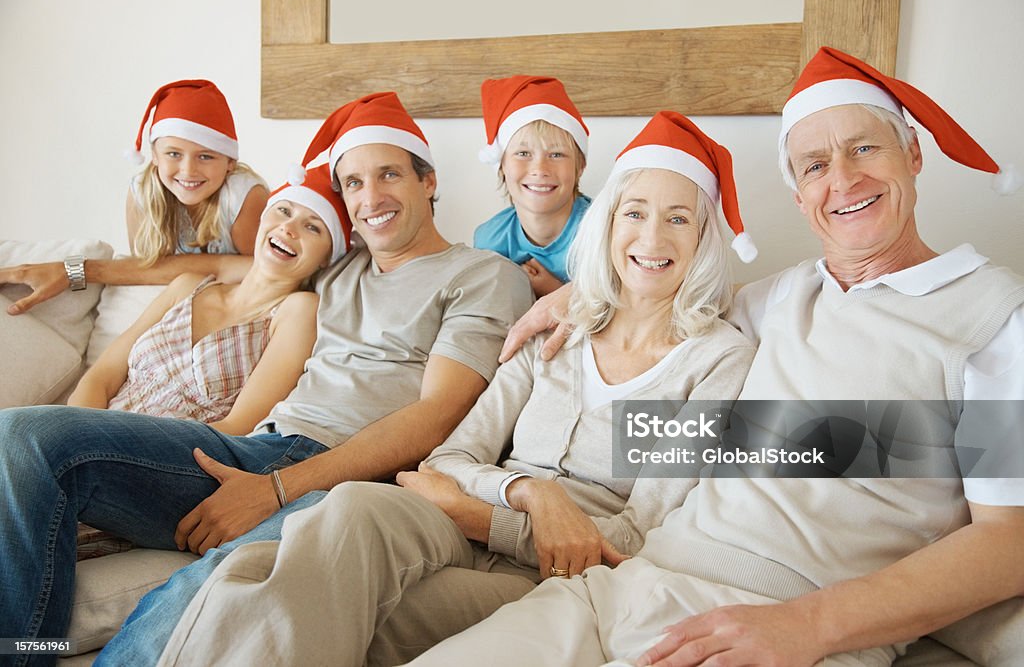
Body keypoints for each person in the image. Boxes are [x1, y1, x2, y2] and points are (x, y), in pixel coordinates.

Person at [410, 47, 1024, 667]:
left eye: (865, 148)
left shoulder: (995, 320)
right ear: (798, 194)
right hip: (621, 587)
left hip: (787, 619)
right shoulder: (776, 299)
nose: (842, 178)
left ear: (913, 153)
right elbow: (659, 288)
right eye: (814, 165)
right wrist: (576, 293)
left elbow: (1010, 541)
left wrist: (806, 625)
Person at [153, 111, 756, 667]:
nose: (651, 238)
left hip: (554, 575)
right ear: (608, 225)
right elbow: (449, 458)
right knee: (343, 512)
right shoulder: (557, 329)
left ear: (705, 238)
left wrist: (478, 514)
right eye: (635, 213)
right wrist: (530, 494)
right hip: (469, 521)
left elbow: (637, 532)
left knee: (306, 599)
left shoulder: (716, 361)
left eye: (679, 218)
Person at [0, 91, 534, 667]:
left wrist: (280, 489)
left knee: (205, 597)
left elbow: (439, 414)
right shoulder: (334, 265)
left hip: (340, 481)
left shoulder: (480, 274)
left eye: (389, 175)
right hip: (249, 450)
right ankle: (26, 653)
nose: (371, 196)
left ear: (428, 182)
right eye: (352, 183)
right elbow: (195, 269)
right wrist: (76, 271)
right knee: (24, 439)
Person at [67, 163, 351, 435]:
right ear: (263, 218)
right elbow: (100, 378)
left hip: (168, 459)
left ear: (328, 256)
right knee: (26, 428)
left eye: (312, 227)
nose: (288, 228)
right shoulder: (188, 286)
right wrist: (76, 436)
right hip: (92, 436)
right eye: (283, 211)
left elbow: (237, 427)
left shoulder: (298, 310)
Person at [0, 80, 268, 316]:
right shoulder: (143, 192)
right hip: (175, 306)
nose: (188, 170)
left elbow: (258, 270)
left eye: (206, 156)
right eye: (174, 154)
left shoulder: (243, 195)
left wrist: (74, 271)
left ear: (230, 162)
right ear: (154, 155)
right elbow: (146, 270)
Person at [473, 75, 592, 297]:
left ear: (580, 166)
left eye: (556, 154)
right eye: (523, 154)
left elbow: (622, 312)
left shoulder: (602, 232)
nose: (540, 168)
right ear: (501, 166)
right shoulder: (489, 239)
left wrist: (553, 292)